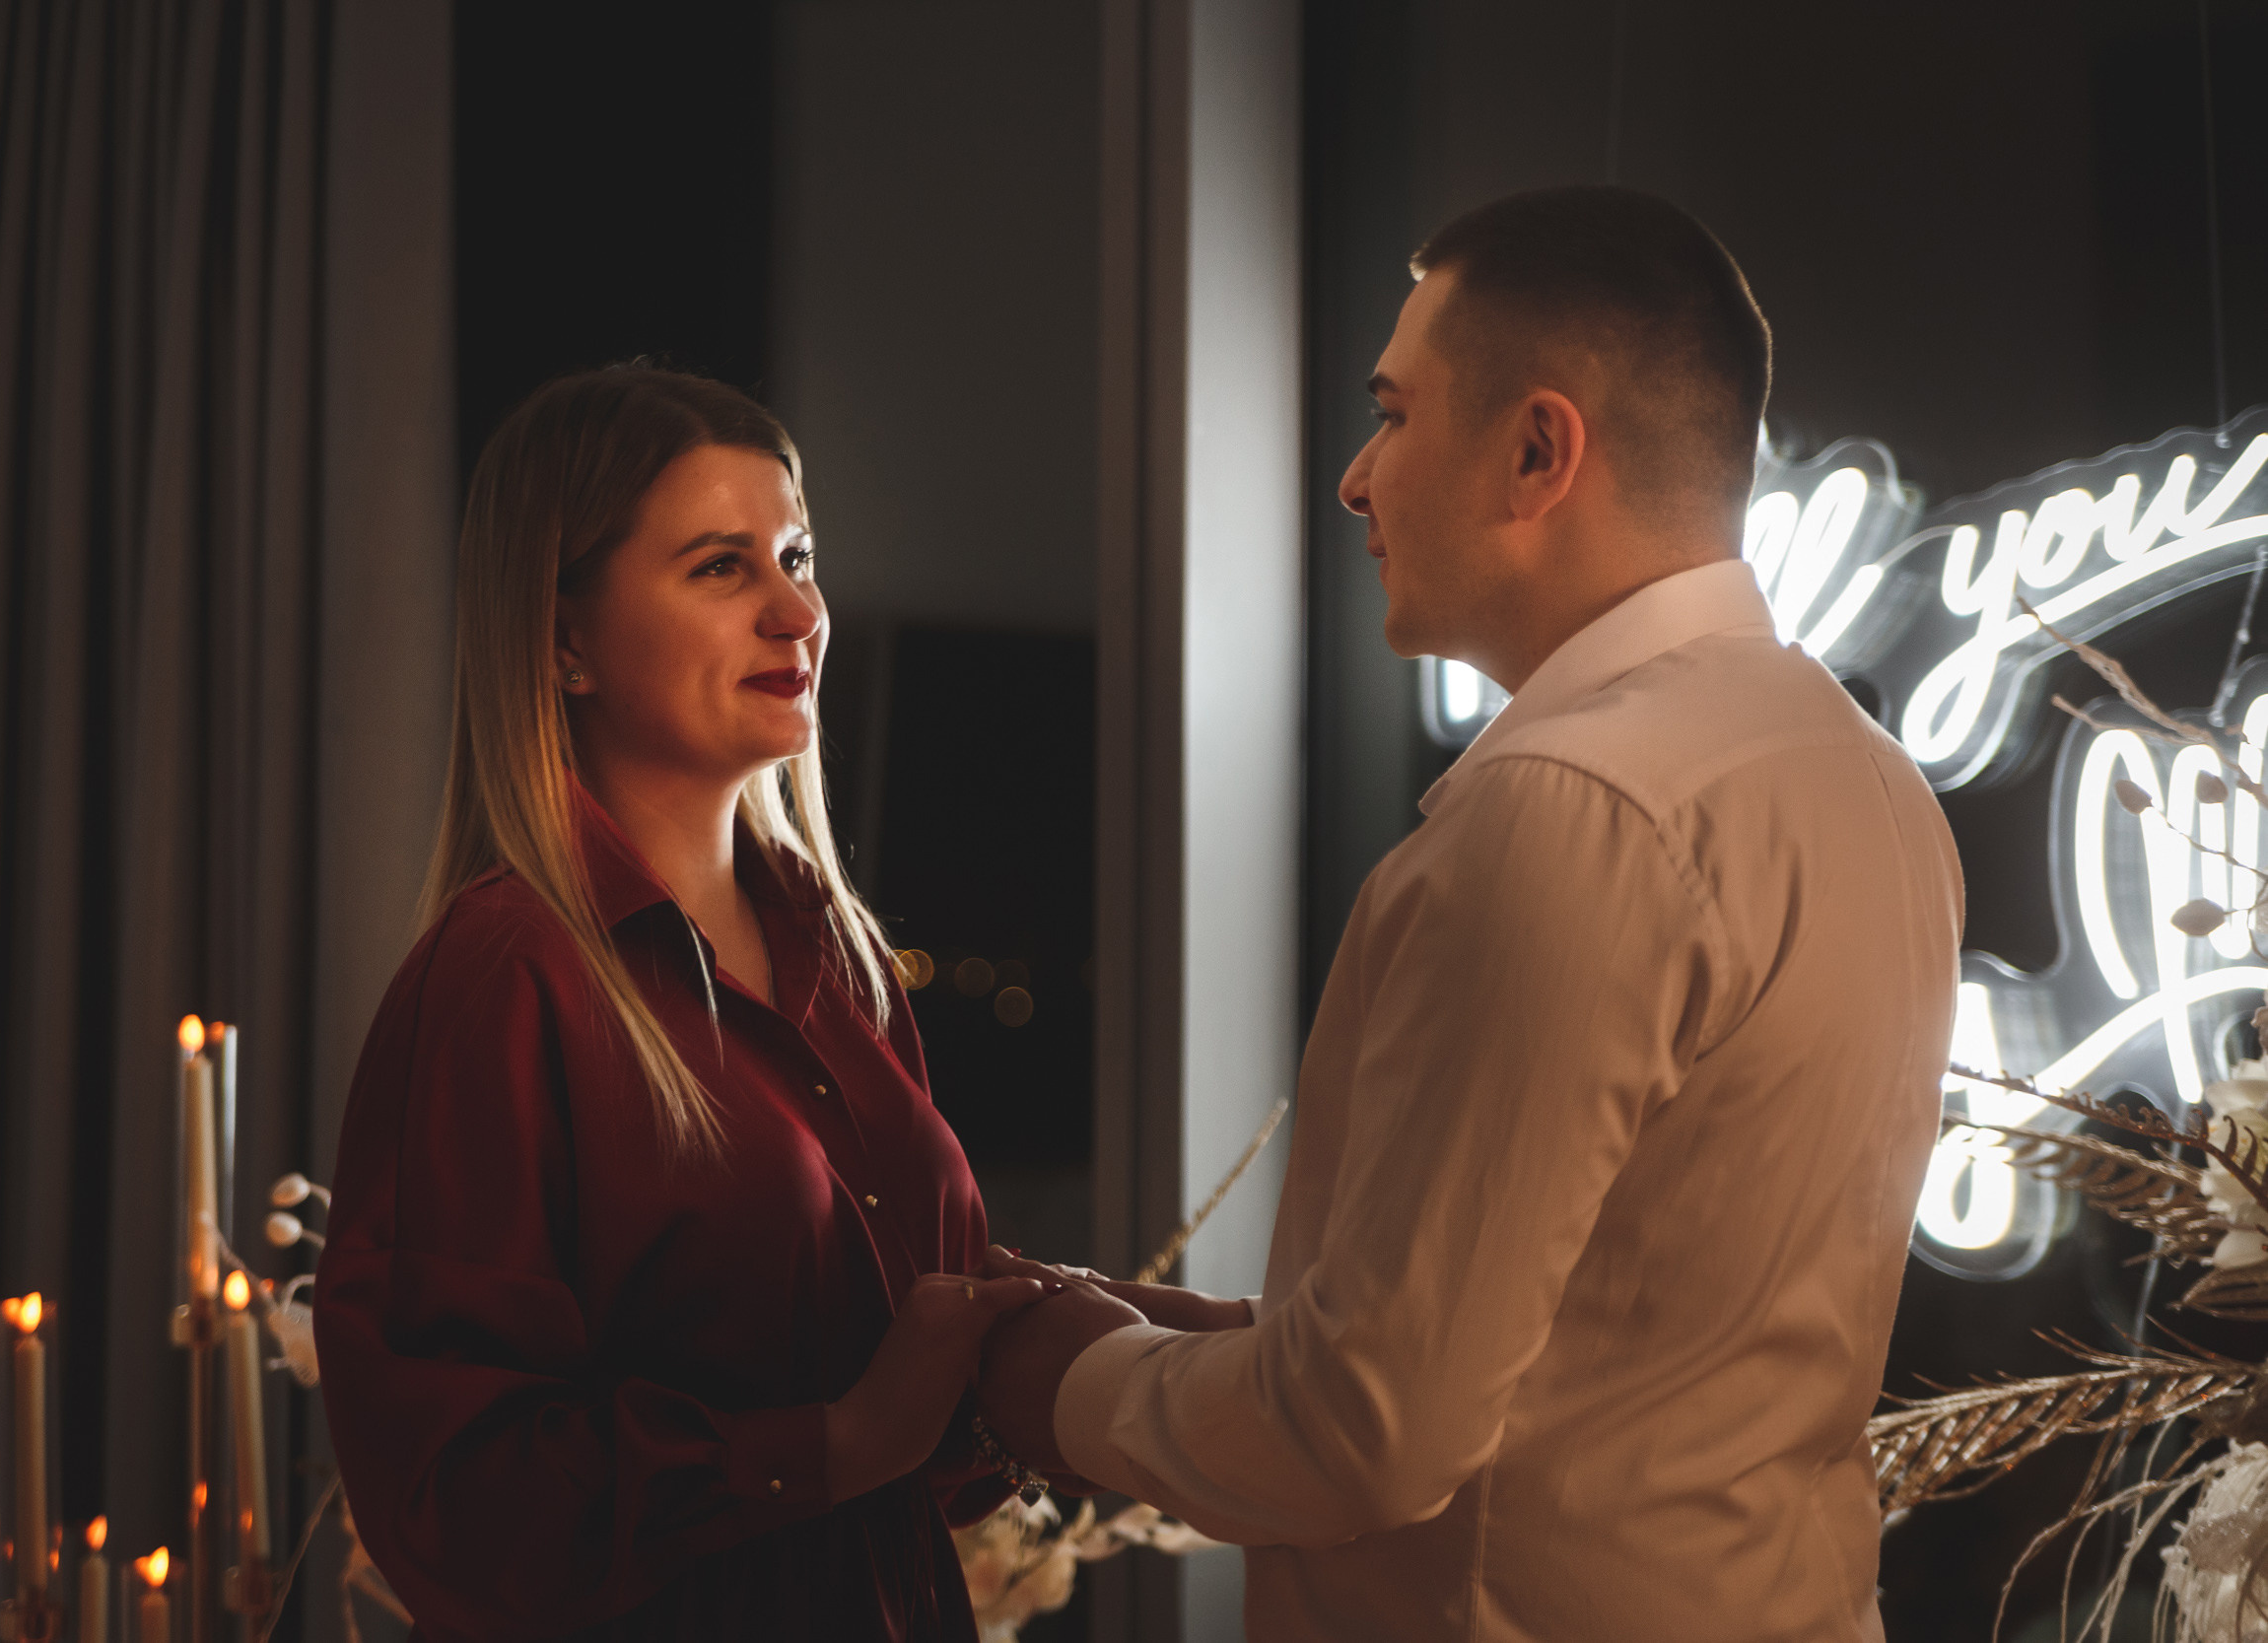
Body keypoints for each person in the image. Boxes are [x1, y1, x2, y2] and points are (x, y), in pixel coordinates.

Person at [975, 186, 1964, 1641]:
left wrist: (1039, 1381)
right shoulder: (1872, 789)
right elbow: (1607, 1351)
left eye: (1392, 412)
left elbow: (1371, 1431)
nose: (1356, 481)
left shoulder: (1572, 809)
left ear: (1536, 449)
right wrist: (1205, 1340)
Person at [313, 366, 1058, 1640]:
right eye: (723, 568)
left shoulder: (843, 962)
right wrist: (831, 1442)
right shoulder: (505, 980)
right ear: (562, 640)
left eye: (798, 555)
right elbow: (456, 1503)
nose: (799, 612)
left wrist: (1066, 1354)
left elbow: (905, 1423)